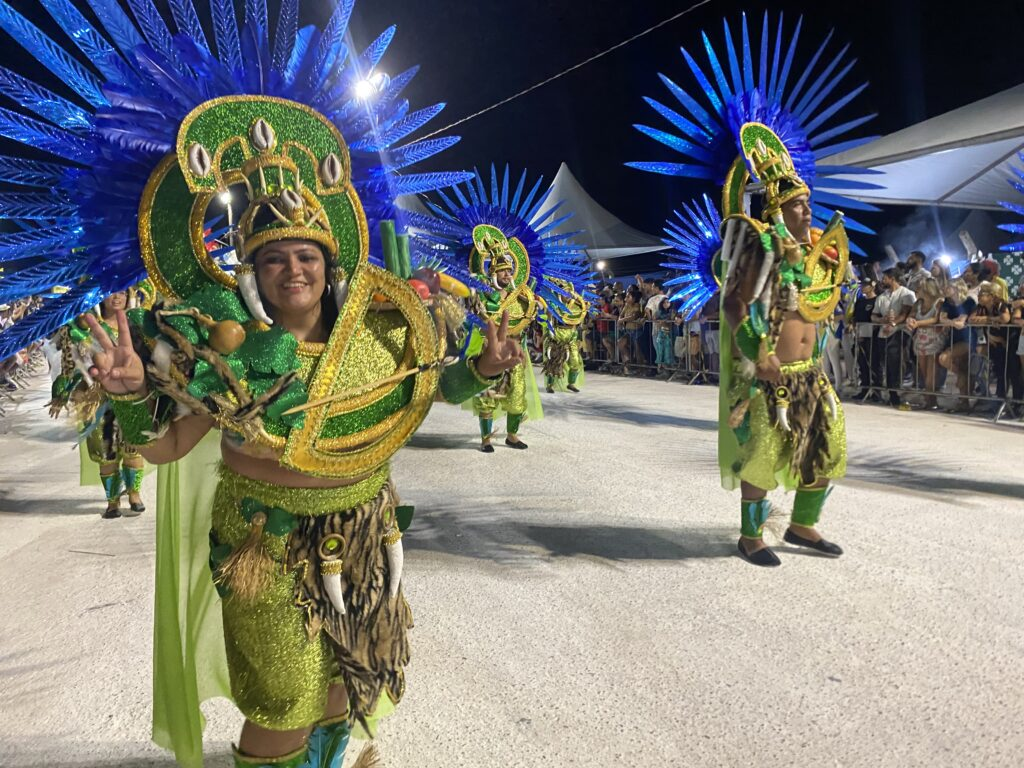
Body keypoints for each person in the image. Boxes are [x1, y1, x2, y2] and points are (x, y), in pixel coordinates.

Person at [719, 125, 847, 567]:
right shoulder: (763, 248)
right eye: (798, 204)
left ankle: (802, 525)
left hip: (811, 372)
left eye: (808, 202)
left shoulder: (817, 252)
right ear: (777, 209)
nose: (808, 209)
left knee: (826, 446)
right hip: (770, 373)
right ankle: (751, 536)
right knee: (763, 455)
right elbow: (735, 305)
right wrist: (759, 353)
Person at [48, 291, 146, 518]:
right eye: (112, 293)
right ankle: (112, 502)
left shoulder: (136, 324)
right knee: (106, 452)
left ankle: (134, 494)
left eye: (123, 292)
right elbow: (70, 364)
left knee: (133, 446)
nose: (118, 297)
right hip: (97, 400)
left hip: (131, 398)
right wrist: (61, 394)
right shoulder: (85, 330)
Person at [872, 268, 916, 409]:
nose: (882, 280)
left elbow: (905, 313)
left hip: (899, 332)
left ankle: (895, 393)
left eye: (885, 278)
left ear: (892, 278)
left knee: (895, 362)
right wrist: (881, 320)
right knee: (885, 363)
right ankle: (889, 392)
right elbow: (873, 315)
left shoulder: (907, 294)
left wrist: (892, 324)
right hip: (883, 333)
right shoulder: (882, 296)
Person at [542, 279, 589, 393]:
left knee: (575, 361)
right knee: (553, 361)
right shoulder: (554, 305)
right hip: (556, 336)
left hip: (570, 337)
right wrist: (551, 334)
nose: (567, 296)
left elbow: (581, 316)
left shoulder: (576, 307)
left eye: (568, 293)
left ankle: (571, 383)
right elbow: (549, 321)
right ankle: (550, 385)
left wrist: (581, 302)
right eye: (564, 293)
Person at [905, 278, 947, 410]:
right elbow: (911, 315)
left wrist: (918, 323)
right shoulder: (918, 303)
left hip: (934, 338)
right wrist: (910, 320)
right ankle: (929, 399)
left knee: (932, 371)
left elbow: (936, 318)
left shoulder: (939, 302)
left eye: (920, 287)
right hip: (920, 339)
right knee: (923, 371)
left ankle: (932, 400)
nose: (918, 289)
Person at [616, 286, 646, 374]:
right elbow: (621, 315)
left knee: (638, 350)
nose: (625, 299)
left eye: (628, 297)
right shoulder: (626, 305)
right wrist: (620, 319)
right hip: (628, 331)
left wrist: (622, 320)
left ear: (634, 298)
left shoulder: (638, 306)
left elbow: (634, 316)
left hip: (637, 330)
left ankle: (641, 368)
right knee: (621, 343)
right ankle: (628, 363)